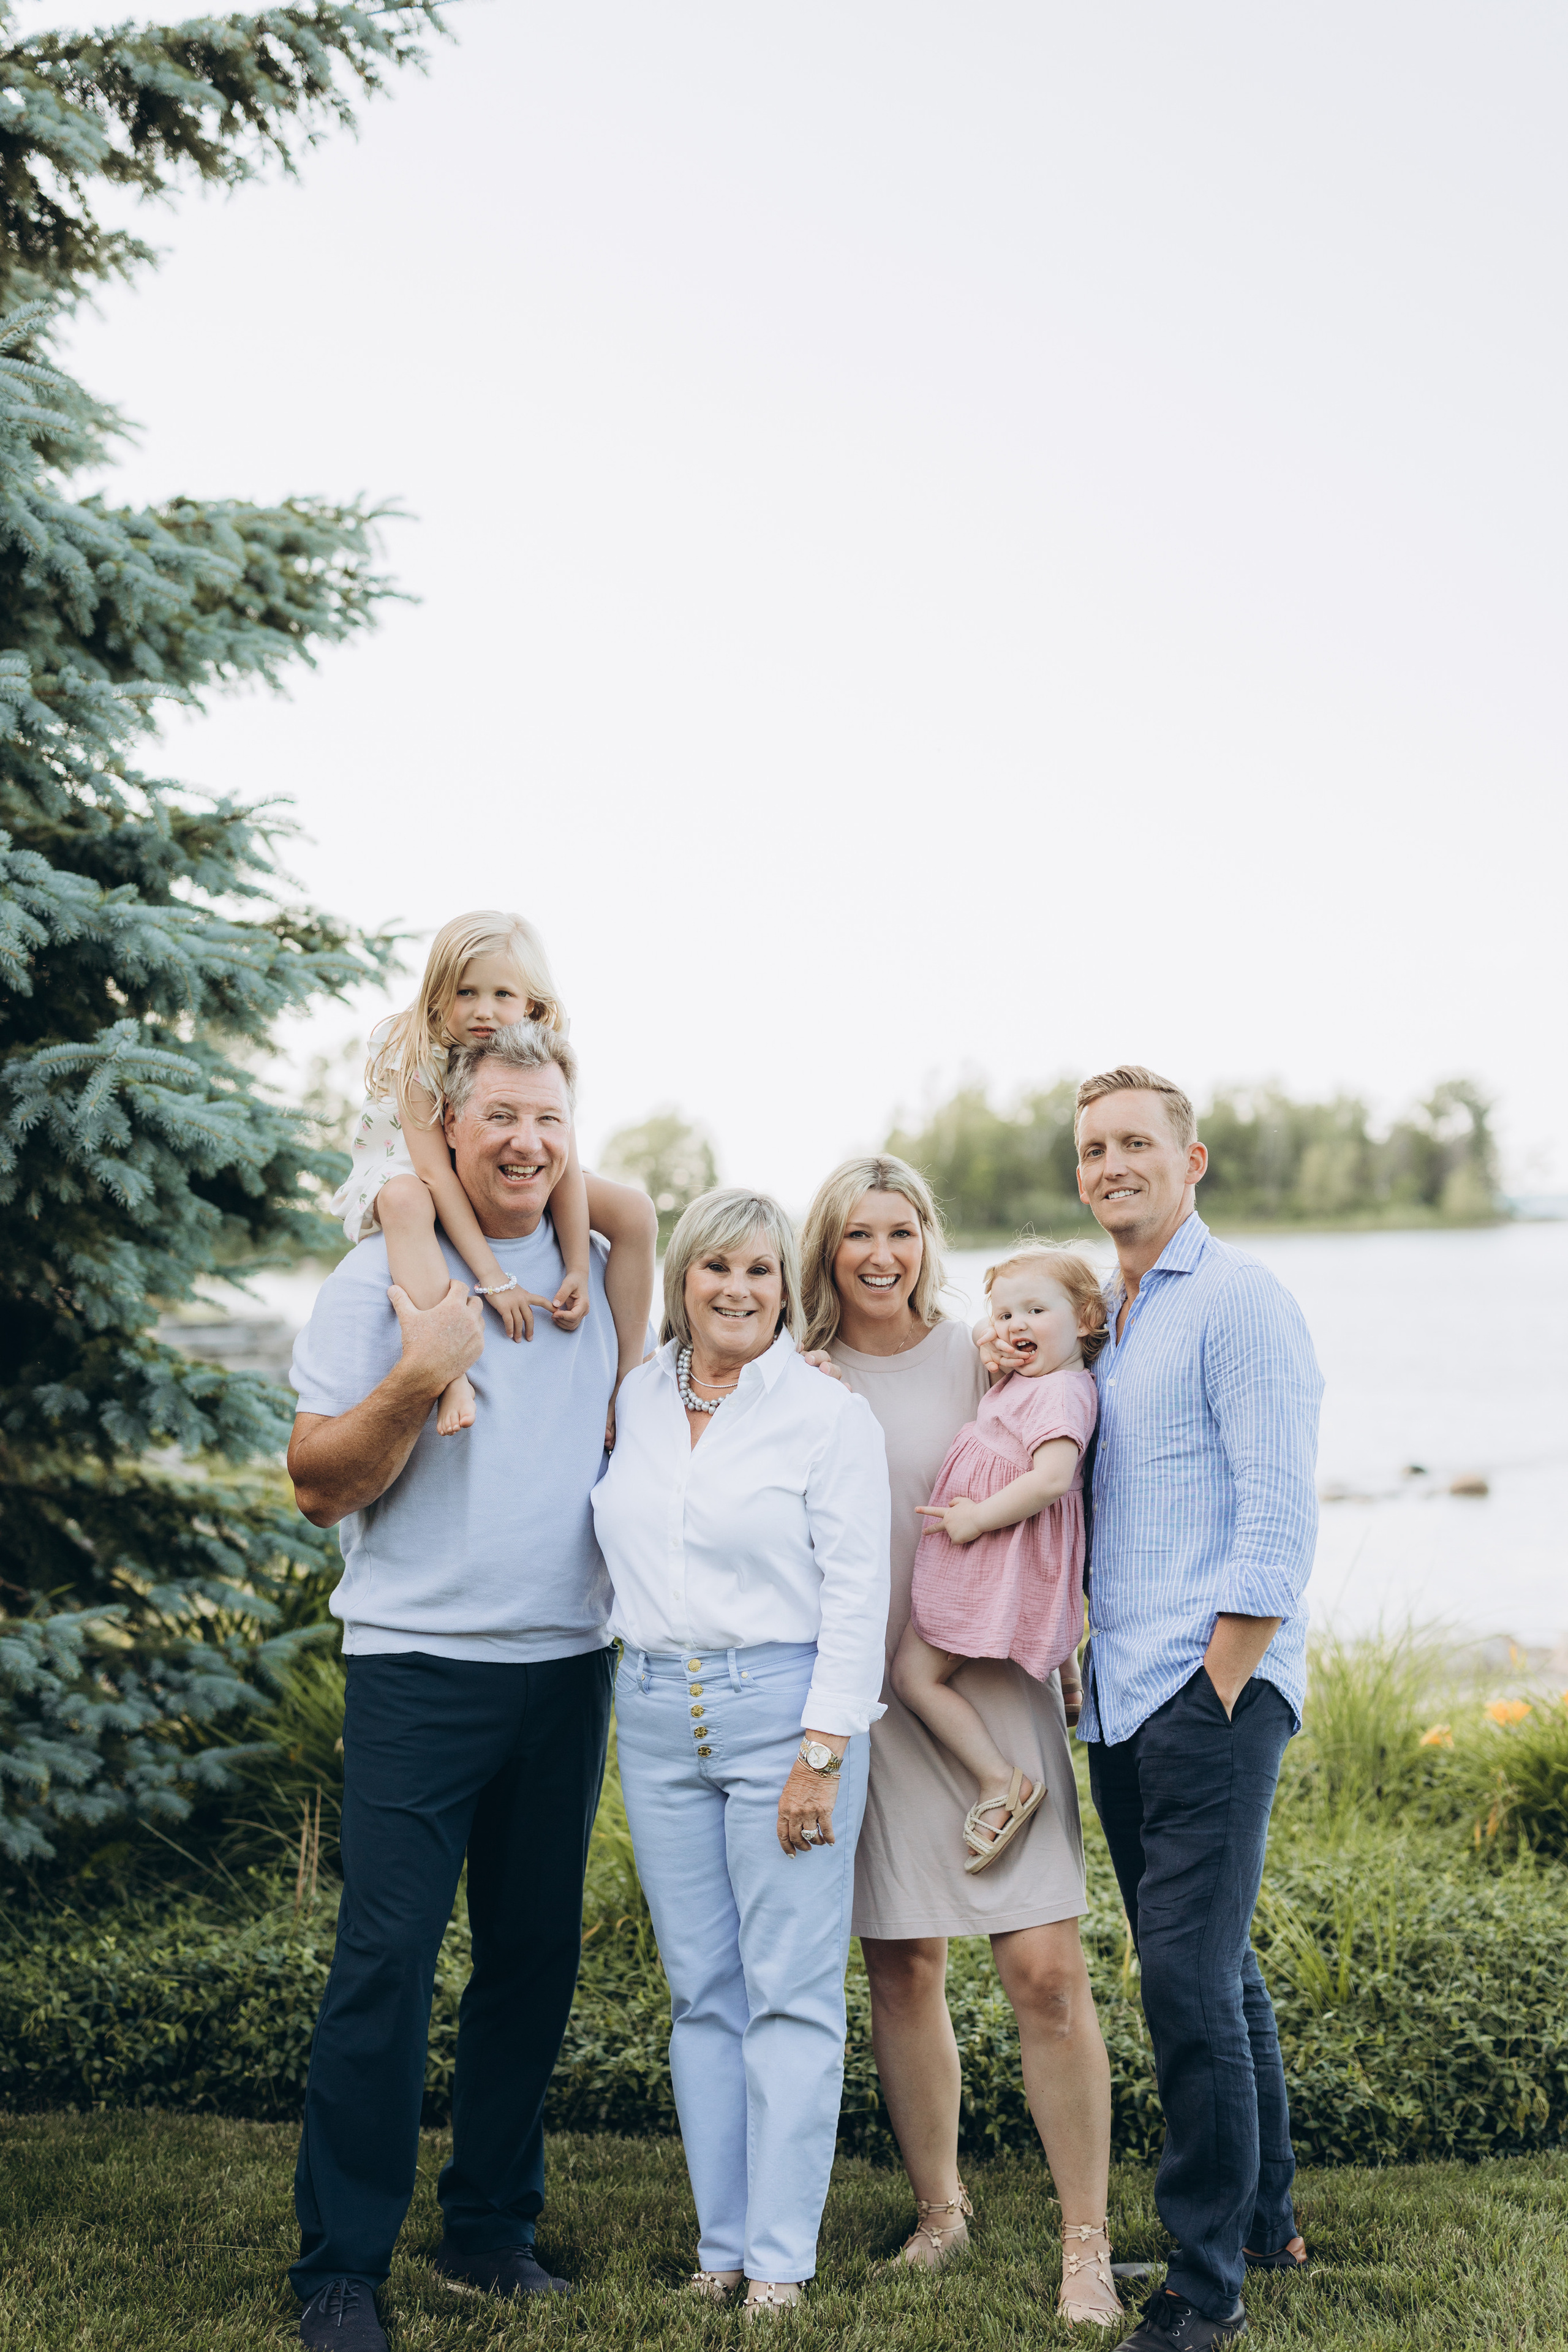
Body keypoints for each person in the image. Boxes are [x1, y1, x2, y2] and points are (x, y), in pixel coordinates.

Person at [285, 1021, 623, 2352]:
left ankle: (491, 2231)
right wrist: (419, 1382)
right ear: (449, 1126)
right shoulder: (377, 1278)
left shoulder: (599, 1274)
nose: (526, 1144)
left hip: (567, 1667)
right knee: (385, 1964)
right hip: (418, 1669)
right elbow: (318, 1483)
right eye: (498, 1120)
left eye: (546, 1118)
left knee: (530, 1962)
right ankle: (339, 2269)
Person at [797, 1157, 1122, 2330]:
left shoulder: (983, 1350)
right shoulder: (797, 1367)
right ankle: (942, 2211)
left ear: (929, 1240)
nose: (880, 1255)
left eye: (900, 1231)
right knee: (905, 1965)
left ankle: (1086, 2243)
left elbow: (1064, 1461)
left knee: (1045, 1972)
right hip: (875, 1693)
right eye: (855, 1235)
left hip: (986, 1683)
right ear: (826, 1250)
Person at [590, 1189, 890, 2321]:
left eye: (761, 1272)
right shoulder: (639, 1397)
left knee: (793, 1997)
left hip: (784, 1717)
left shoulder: (823, 1414)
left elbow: (860, 1591)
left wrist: (822, 1749)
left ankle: (779, 2263)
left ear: (785, 1288)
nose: (738, 1290)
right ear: (683, 1279)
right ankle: (719, 2246)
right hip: (658, 1712)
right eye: (717, 1268)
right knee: (701, 1996)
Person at [1066, 1066, 1323, 2352]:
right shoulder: (1113, 1316)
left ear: (1191, 1159)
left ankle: (1200, 2284)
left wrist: (1216, 1683)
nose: (1110, 1163)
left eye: (1133, 1144)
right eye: (1091, 1147)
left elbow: (1277, 1519)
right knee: (1217, 1971)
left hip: (1203, 1696)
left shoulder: (1236, 1303)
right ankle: (1265, 2222)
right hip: (1120, 1699)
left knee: (1176, 1977)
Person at [330, 908, 655, 1433]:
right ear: (439, 993)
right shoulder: (416, 1051)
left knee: (635, 1212)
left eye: (502, 995)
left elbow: (563, 1155)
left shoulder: (540, 1044)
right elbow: (435, 1172)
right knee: (405, 1202)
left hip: (505, 1152)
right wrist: (495, 1280)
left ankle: (627, 1381)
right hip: (418, 1162)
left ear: (531, 1002)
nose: (484, 1011)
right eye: (465, 993)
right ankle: (448, 1370)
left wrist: (576, 1264)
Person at [894, 1245, 1104, 1875]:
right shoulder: (1033, 1378)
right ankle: (1064, 1672)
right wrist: (1006, 1335)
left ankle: (999, 1782)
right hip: (998, 1551)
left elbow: (1050, 1481)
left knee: (912, 1676)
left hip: (992, 1550)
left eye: (1034, 1310)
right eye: (1002, 1313)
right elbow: (999, 1337)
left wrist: (975, 1518)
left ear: (1088, 1317)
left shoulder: (1061, 1394)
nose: (1012, 1326)